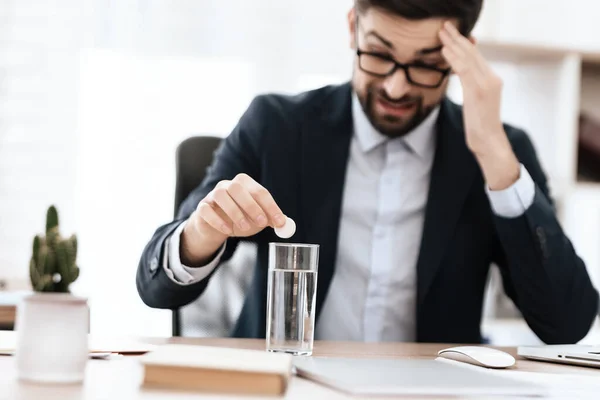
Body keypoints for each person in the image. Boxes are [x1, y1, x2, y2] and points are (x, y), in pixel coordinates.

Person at [136, 0, 599, 344]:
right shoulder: (277, 126)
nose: (396, 87)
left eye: (426, 66)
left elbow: (568, 322)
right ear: (353, 26)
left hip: (432, 393)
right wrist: (202, 232)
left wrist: (496, 158)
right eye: (378, 55)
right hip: (287, 385)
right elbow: (156, 287)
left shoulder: (500, 149)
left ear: (463, 56)